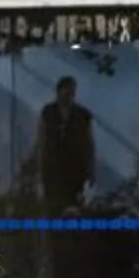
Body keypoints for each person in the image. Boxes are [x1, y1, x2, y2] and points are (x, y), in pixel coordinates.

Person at [34, 75, 98, 212]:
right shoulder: (48, 113)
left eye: (72, 93)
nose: (69, 96)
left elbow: (89, 146)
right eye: (66, 92)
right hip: (52, 175)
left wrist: (91, 172)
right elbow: (41, 144)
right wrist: (39, 175)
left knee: (74, 214)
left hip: (75, 174)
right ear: (58, 92)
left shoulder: (83, 115)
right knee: (53, 212)